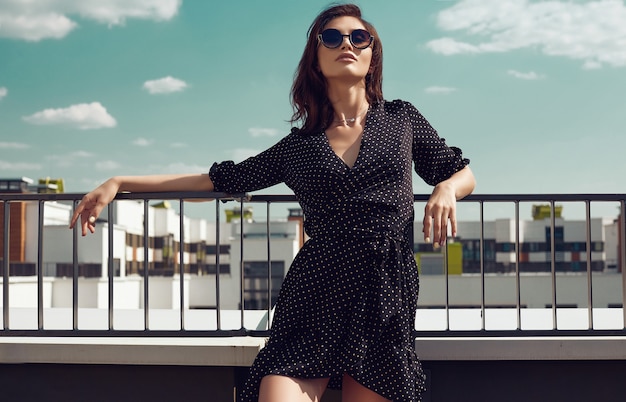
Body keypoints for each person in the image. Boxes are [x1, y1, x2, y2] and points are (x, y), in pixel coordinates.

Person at [70, 4, 475, 401]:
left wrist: (444, 188)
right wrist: (120, 182)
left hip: (384, 286)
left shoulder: (401, 118)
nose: (346, 44)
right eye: (332, 37)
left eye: (359, 37)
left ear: (373, 56)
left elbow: (463, 174)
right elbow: (218, 181)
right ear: (316, 59)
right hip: (317, 286)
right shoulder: (299, 146)